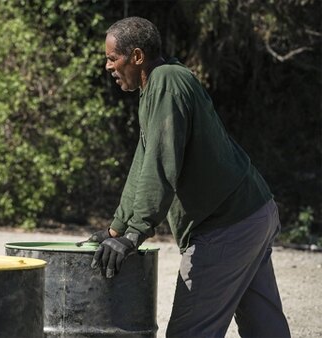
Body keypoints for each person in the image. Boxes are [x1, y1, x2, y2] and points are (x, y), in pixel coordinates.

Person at [84, 17, 291, 337]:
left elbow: (161, 163)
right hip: (253, 213)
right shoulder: (158, 86)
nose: (108, 66)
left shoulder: (166, 82)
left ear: (137, 56)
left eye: (112, 58)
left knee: (189, 332)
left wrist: (135, 233)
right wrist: (116, 228)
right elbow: (143, 161)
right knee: (264, 326)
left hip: (227, 225)